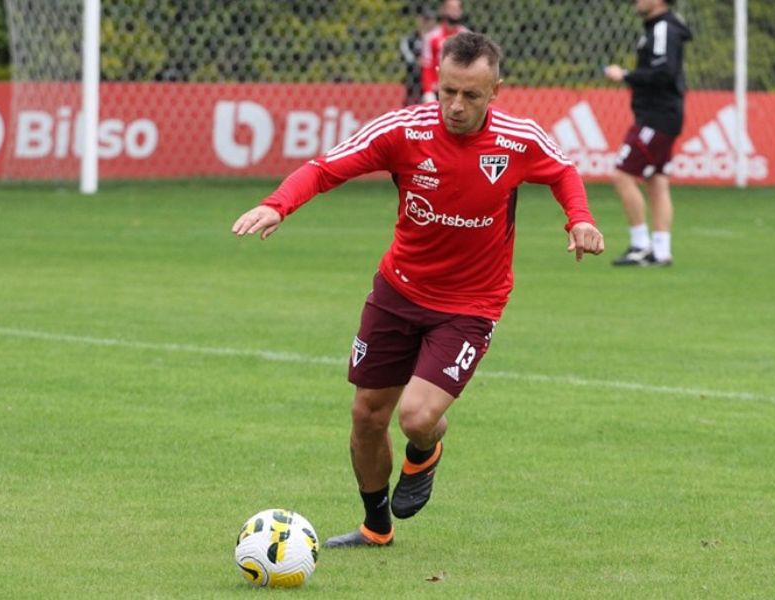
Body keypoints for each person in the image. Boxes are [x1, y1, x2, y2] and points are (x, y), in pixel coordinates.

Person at [232, 32, 604, 548]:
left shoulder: (520, 139)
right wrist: (278, 204)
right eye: (447, 91)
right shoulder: (404, 130)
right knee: (366, 416)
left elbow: (563, 173)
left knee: (417, 416)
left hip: (472, 305)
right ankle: (375, 527)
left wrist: (579, 221)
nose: (455, 105)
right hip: (397, 292)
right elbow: (325, 168)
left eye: (471, 95)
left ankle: (426, 451)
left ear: (496, 90)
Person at [604, 0, 692, 267]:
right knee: (656, 180)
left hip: (657, 116)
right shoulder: (660, 27)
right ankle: (661, 250)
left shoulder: (664, 28)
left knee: (622, 175)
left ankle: (640, 245)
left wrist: (626, 75)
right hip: (663, 114)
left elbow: (664, 72)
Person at [419, 0, 467, 102]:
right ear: (443, 10)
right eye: (450, 8)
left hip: (460, 87)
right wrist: (428, 91)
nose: (454, 11)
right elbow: (426, 66)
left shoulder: (466, 37)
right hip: (437, 88)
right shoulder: (431, 37)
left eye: (457, 8)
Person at [399, 8, 436, 106]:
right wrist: (416, 61)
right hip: (415, 78)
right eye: (424, 20)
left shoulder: (435, 39)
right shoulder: (410, 39)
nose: (427, 23)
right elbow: (405, 55)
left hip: (433, 79)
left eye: (429, 20)